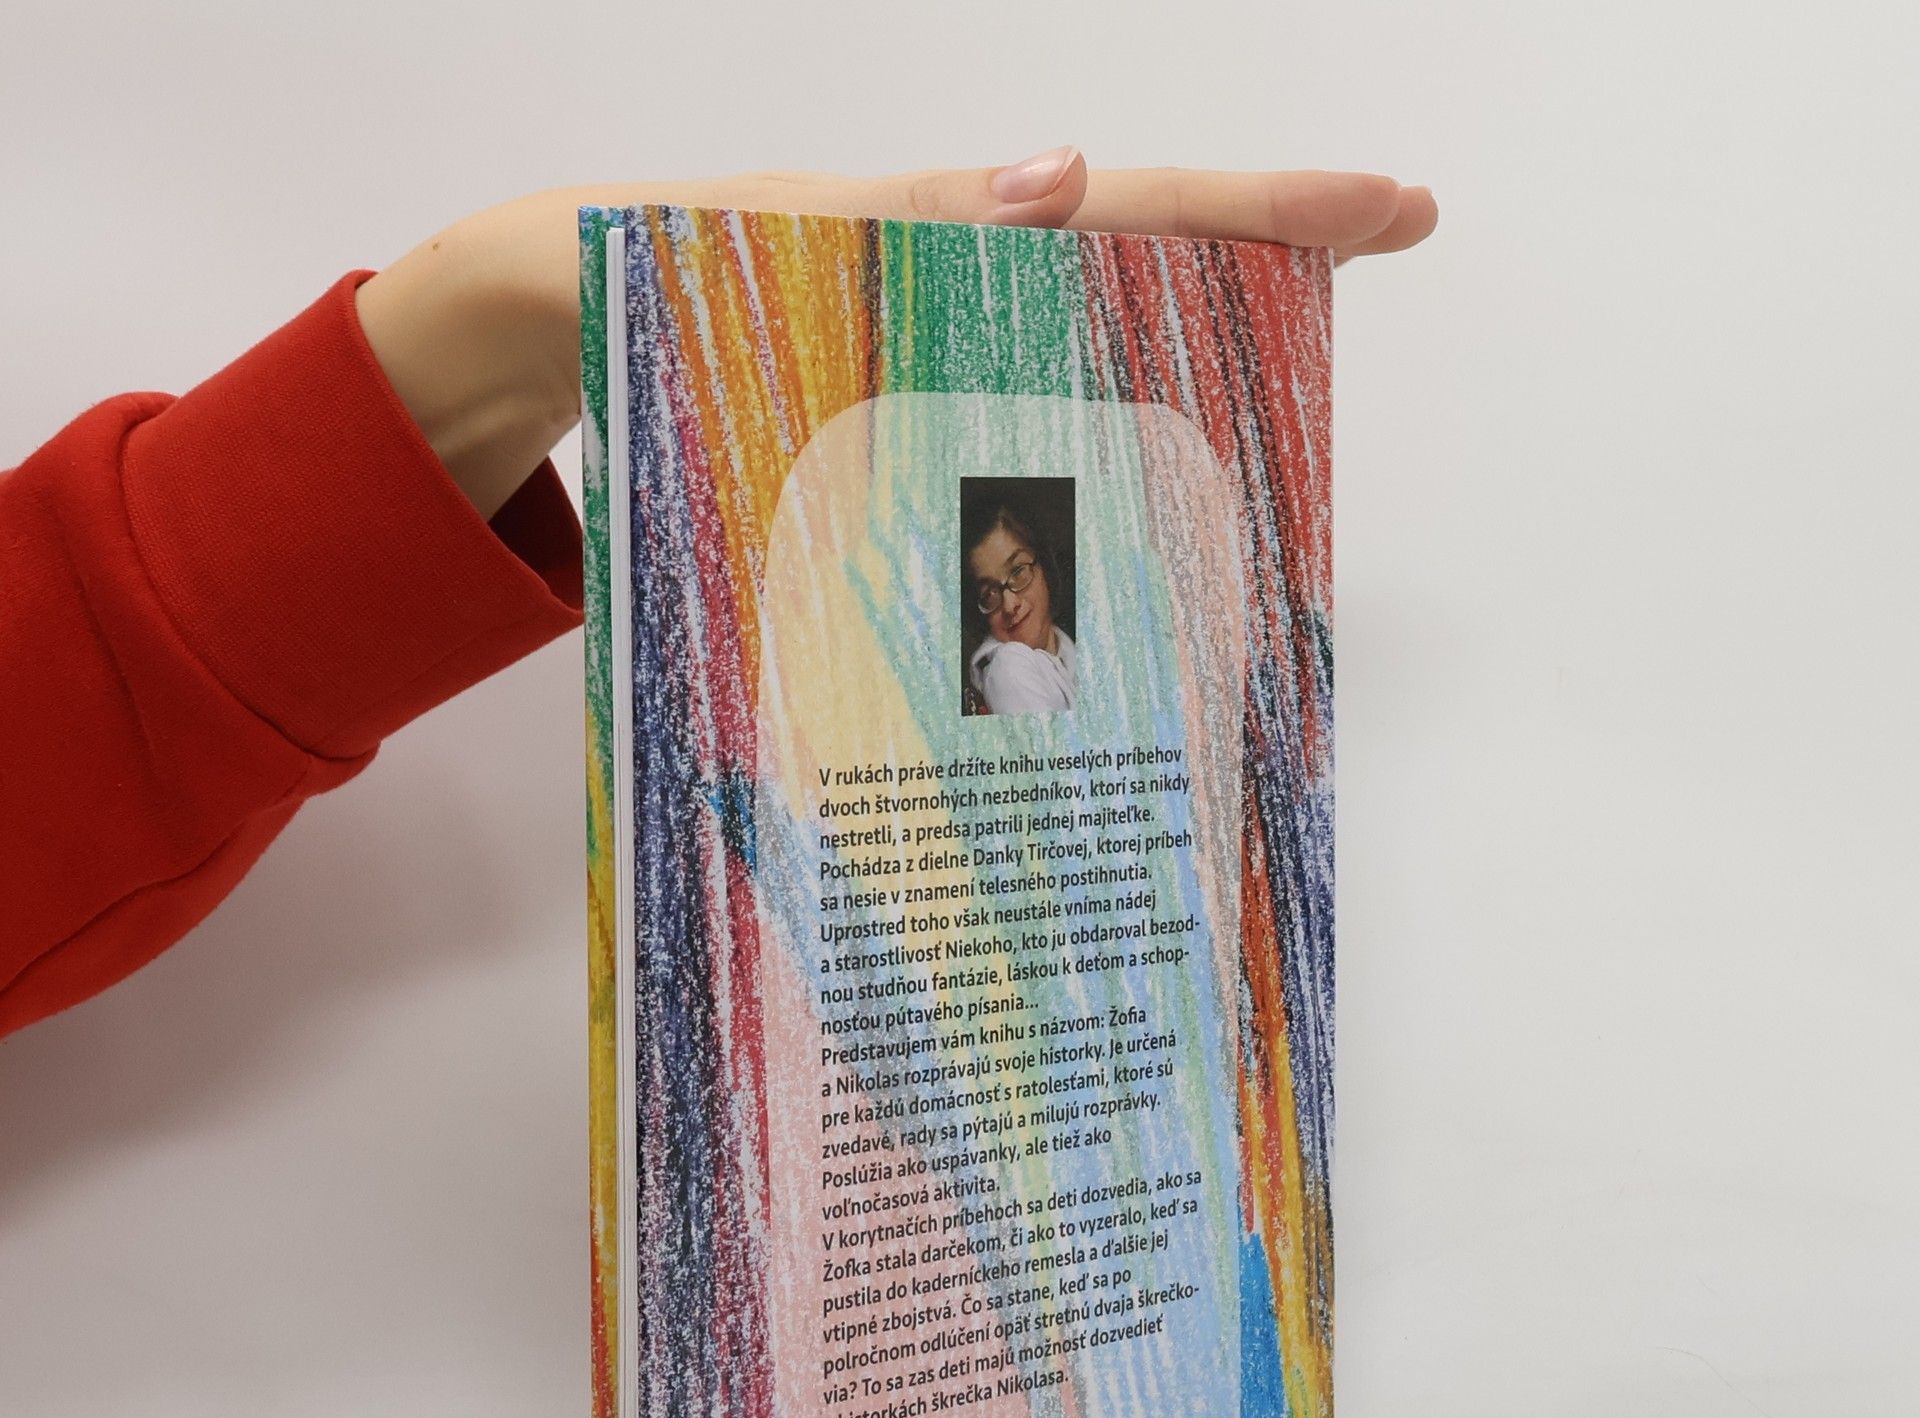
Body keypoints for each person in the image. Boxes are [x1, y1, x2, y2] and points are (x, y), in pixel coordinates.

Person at [0, 153, 1436, 1042]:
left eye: (1019, 576)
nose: (1002, 604)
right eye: (985, 584)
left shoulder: (1096, 684)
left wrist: (459, 350)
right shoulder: (994, 686)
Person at [964, 495, 1076, 715]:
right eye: (989, 594)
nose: (1009, 605)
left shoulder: (1070, 650)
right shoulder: (1007, 666)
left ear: (1044, 565)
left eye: (1018, 572)